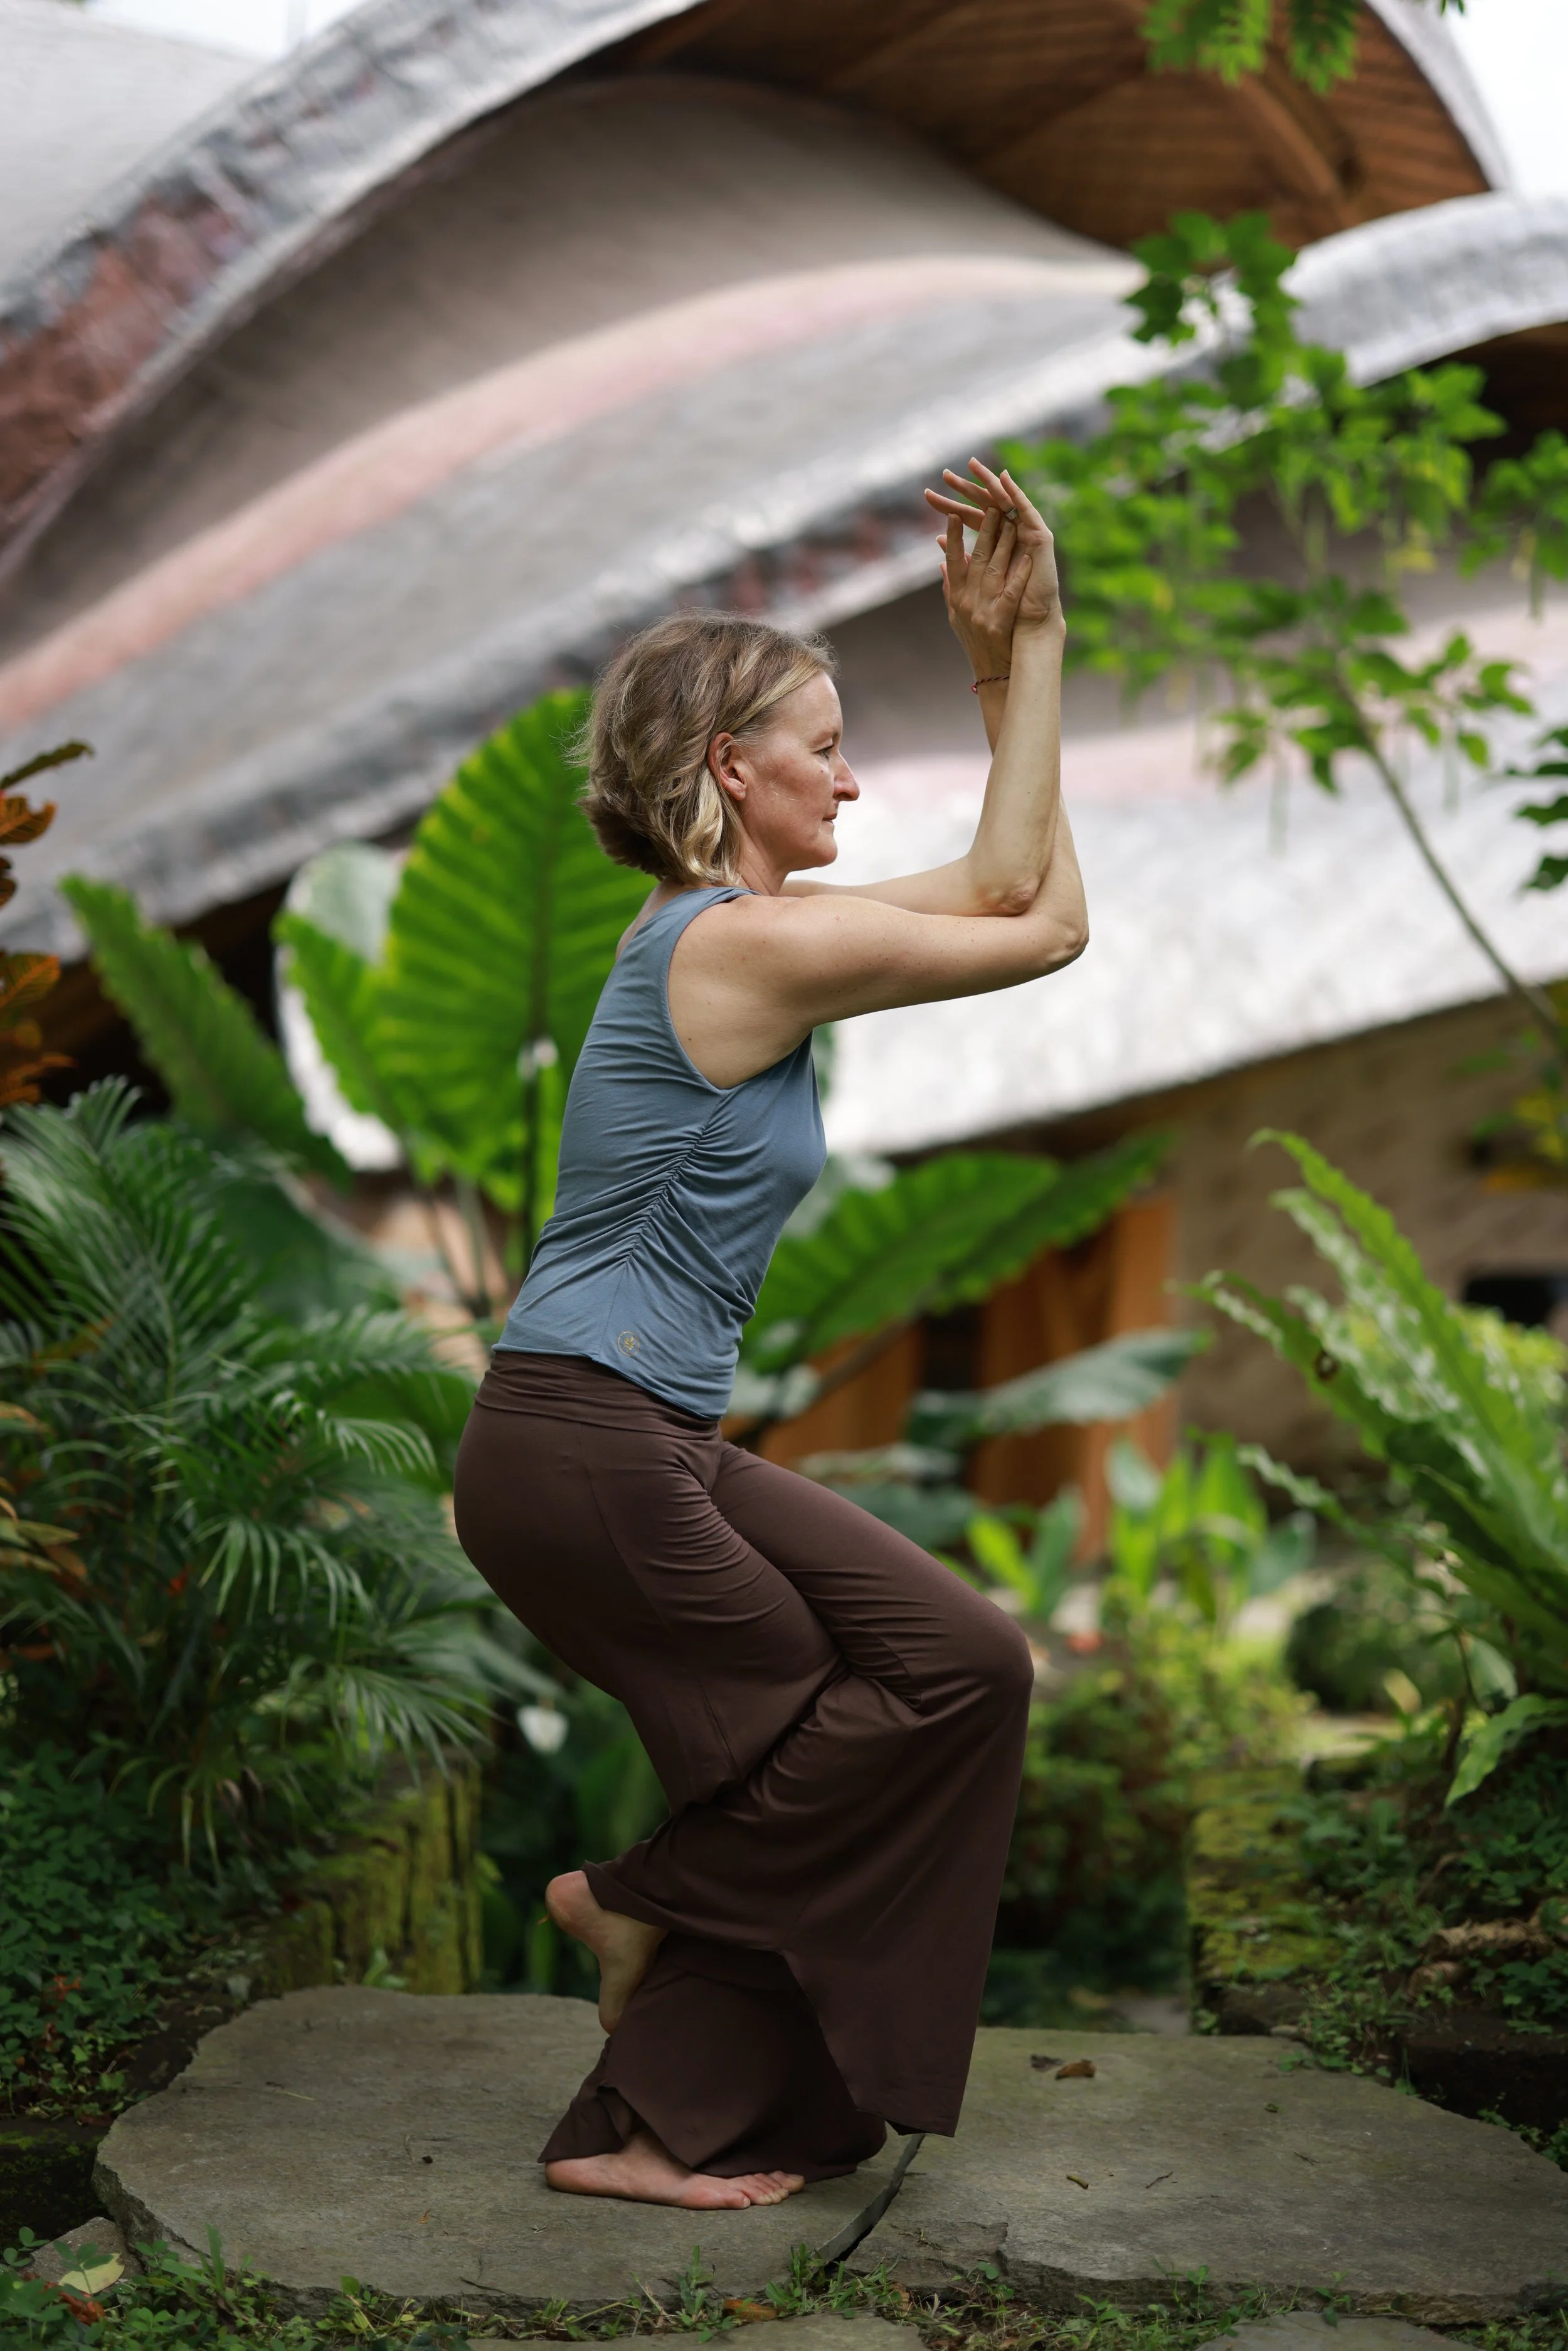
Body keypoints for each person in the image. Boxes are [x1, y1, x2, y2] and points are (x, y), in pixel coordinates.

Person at [452, 460, 1087, 2212]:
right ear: (732, 767)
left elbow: (1045, 904)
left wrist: (1012, 656)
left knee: (957, 1661)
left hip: (633, 1440)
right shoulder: (732, 949)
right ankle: (646, 2074)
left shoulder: (755, 942)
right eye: (824, 741)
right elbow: (1030, 913)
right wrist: (1014, 652)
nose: (851, 774)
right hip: (581, 1439)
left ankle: (644, 1919)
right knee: (808, 1739)